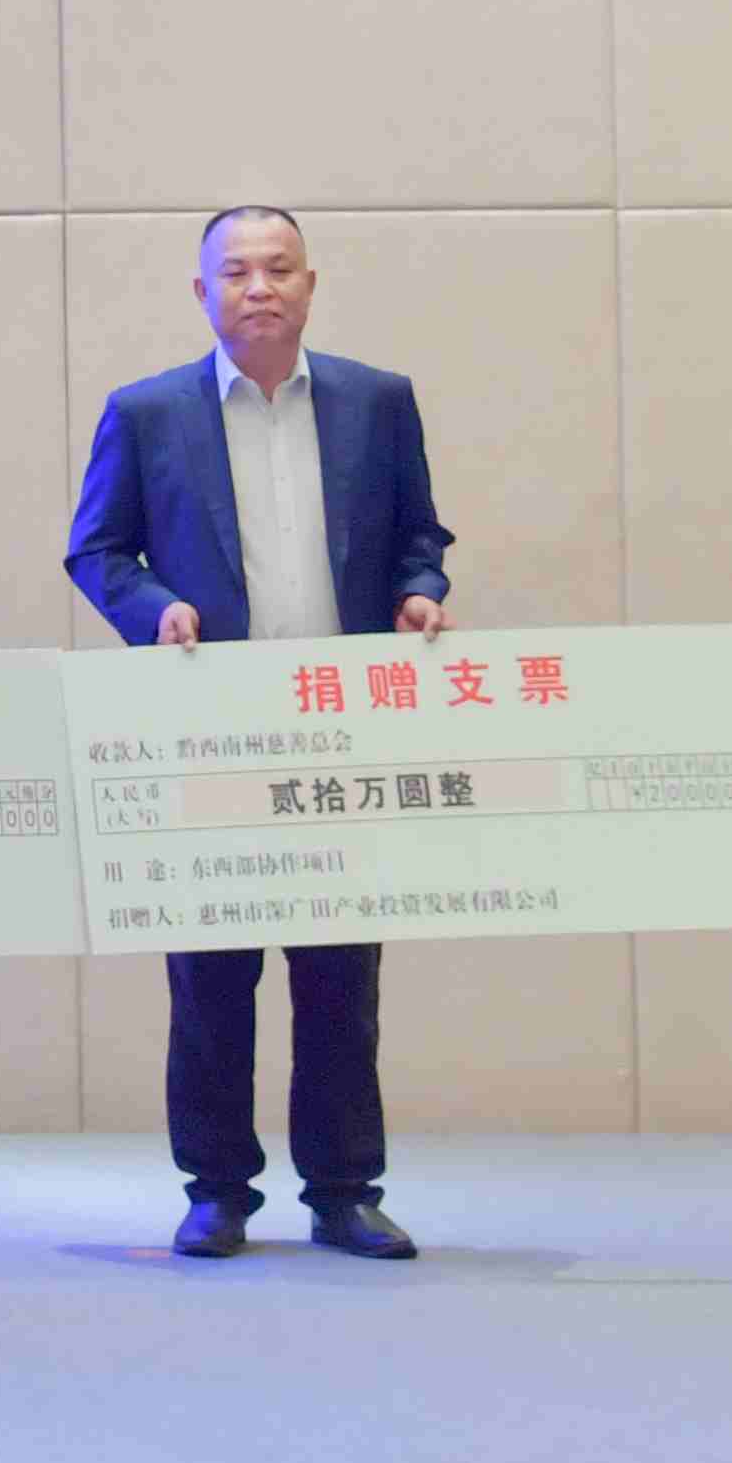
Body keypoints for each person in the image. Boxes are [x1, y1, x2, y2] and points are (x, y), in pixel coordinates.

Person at [64, 203, 458, 1264]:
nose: (259, 287)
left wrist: (420, 591)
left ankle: (343, 1191)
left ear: (309, 284)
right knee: (209, 979)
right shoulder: (147, 412)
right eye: (235, 272)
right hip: (211, 730)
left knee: (340, 979)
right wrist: (155, 611)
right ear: (202, 293)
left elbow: (418, 532)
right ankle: (217, 1191)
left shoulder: (375, 401)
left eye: (278, 268)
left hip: (340, 727)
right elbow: (97, 550)